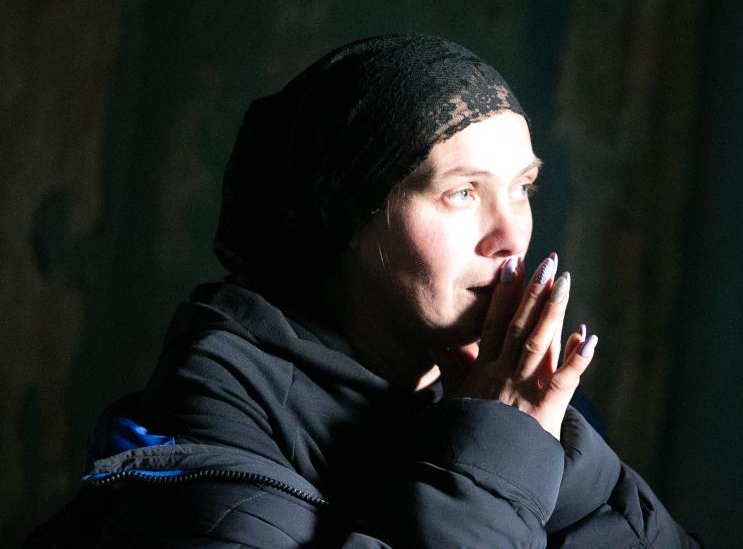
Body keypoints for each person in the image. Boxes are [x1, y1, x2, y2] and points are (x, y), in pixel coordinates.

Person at [28, 35, 698, 547]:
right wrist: (498, 456)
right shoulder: (213, 412)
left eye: (522, 187)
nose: (509, 237)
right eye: (462, 193)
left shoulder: (509, 394)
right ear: (348, 213)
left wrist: (551, 449)